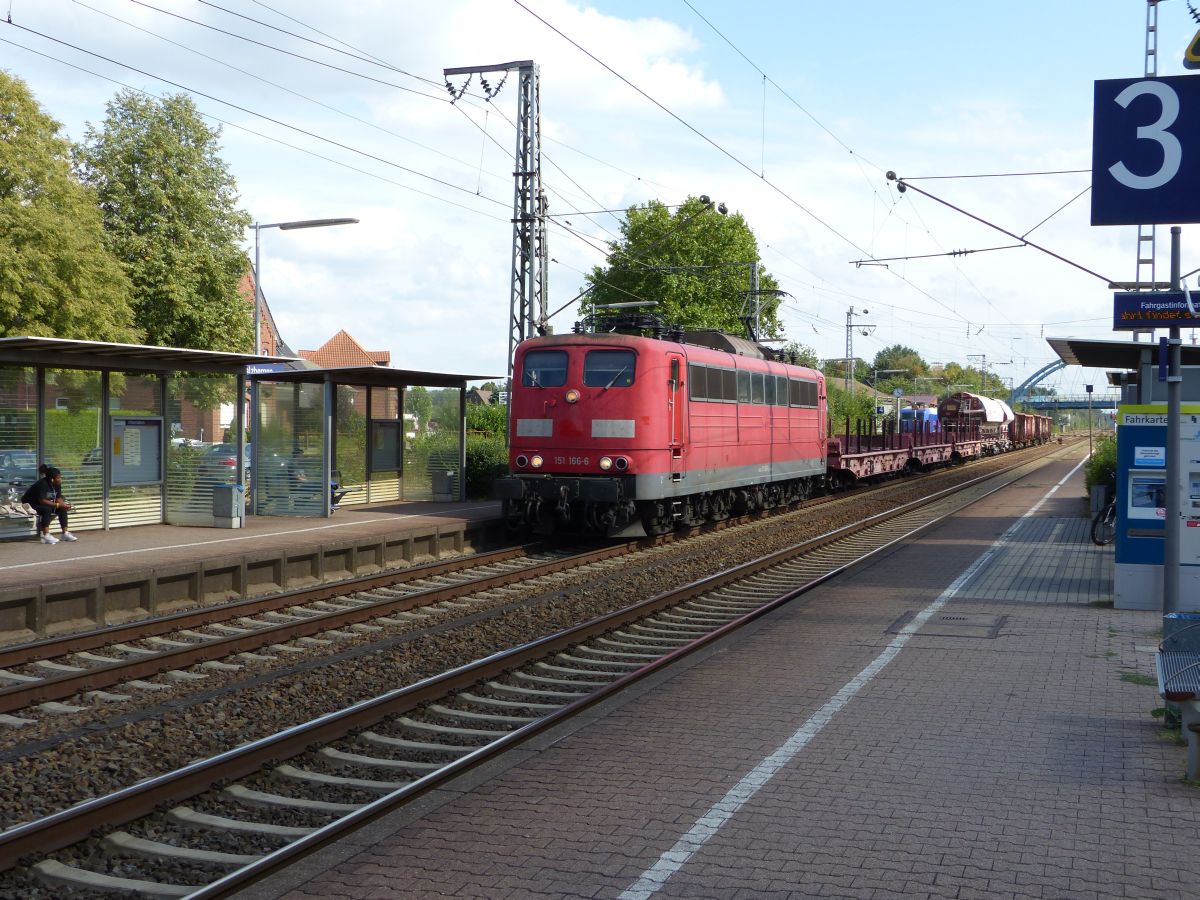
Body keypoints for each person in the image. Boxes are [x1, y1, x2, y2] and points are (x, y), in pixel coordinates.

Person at [23, 465, 77, 545]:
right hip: (31, 504)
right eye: (58, 478)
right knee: (46, 509)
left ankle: (65, 533)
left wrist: (64, 505)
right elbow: (42, 501)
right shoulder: (42, 484)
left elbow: (58, 498)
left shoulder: (57, 484)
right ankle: (46, 536)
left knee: (62, 509)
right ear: (52, 479)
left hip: (44, 503)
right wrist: (58, 505)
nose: (60, 479)